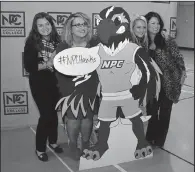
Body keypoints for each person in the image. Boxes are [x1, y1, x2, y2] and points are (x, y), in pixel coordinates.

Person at [54, 12, 99, 160]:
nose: (82, 27)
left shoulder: (95, 43)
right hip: (70, 91)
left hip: (90, 90)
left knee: (87, 122)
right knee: (73, 124)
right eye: (77, 24)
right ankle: (73, 145)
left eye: (84, 24)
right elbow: (58, 71)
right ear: (70, 28)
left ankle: (85, 146)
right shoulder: (63, 47)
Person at [24, 12, 63, 162]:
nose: (44, 28)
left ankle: (52, 142)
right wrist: (48, 63)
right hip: (39, 84)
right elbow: (29, 67)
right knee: (46, 115)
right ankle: (40, 148)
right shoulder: (31, 42)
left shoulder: (57, 40)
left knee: (53, 115)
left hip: (56, 82)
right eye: (40, 25)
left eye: (47, 24)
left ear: (52, 25)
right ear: (36, 27)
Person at [144, 11, 187, 147]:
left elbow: (178, 56)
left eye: (158, 23)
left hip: (169, 81)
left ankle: (160, 140)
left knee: (165, 111)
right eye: (153, 23)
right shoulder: (142, 41)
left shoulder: (166, 39)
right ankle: (150, 137)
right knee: (151, 111)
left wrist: (183, 72)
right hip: (152, 84)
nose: (156, 26)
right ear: (146, 24)